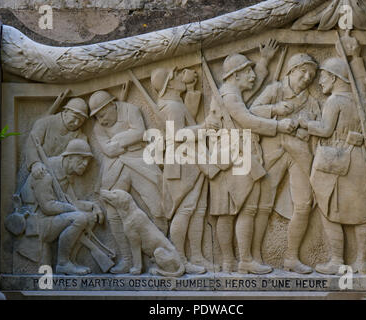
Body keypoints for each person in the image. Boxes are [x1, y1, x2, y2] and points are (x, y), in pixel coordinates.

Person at [208, 52, 296, 274]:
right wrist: (278, 126)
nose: (252, 75)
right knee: (247, 209)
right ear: (236, 75)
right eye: (248, 71)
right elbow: (247, 120)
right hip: (236, 155)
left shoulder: (229, 93)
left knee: (226, 211)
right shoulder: (229, 96)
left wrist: (265, 62)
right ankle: (244, 260)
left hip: (228, 156)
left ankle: (229, 261)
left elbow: (252, 100)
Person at [299, 57, 366, 275]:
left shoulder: (334, 101)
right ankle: (362, 262)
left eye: (322, 76)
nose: (320, 81)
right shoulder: (358, 100)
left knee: (327, 208)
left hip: (337, 159)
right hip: (358, 159)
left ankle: (337, 260)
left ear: (333, 77)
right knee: (362, 213)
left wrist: (306, 123)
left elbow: (325, 130)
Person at [250, 53, 320, 274]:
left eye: (312, 74)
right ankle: (254, 256)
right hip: (274, 153)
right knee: (263, 203)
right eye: (303, 71)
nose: (308, 77)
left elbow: (319, 129)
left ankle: (291, 257)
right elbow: (252, 111)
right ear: (291, 70)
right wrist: (275, 110)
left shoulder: (312, 101)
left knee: (303, 204)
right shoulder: (275, 90)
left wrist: (304, 128)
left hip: (300, 155)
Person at [151, 66, 219, 274]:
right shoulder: (172, 107)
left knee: (198, 210)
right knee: (185, 210)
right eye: (178, 74)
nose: (183, 75)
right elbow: (177, 135)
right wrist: (205, 126)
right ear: (170, 82)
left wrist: (191, 87)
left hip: (190, 161)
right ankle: (180, 258)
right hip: (180, 163)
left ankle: (197, 256)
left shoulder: (175, 103)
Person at [90, 90, 165, 274]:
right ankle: (127, 260)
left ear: (111, 105)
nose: (101, 120)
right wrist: (126, 139)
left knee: (157, 206)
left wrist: (117, 139)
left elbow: (140, 133)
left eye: (102, 114)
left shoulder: (130, 110)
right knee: (113, 212)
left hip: (139, 159)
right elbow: (108, 151)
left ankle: (161, 254)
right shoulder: (98, 128)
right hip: (115, 166)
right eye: (97, 117)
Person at [19, 139, 104, 275]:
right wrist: (73, 210)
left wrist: (93, 206)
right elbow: (48, 207)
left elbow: (72, 202)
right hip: (35, 223)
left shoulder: (64, 175)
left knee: (89, 217)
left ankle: (71, 260)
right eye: (81, 159)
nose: (85, 164)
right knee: (79, 218)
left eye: (87, 161)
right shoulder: (45, 174)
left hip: (47, 221)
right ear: (69, 157)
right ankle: (63, 263)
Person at [25, 97, 89, 175]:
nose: (76, 123)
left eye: (81, 121)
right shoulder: (45, 123)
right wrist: (35, 163)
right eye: (75, 117)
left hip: (58, 177)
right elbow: (31, 145)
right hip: (36, 171)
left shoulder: (81, 138)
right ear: (65, 112)